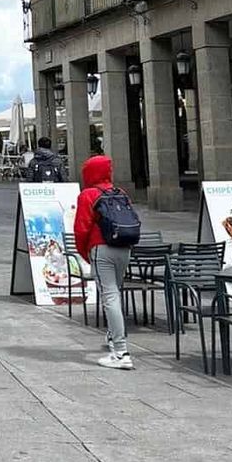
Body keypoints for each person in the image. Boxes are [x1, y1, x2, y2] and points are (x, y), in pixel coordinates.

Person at [74, 154, 133, 370]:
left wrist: (85, 253)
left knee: (109, 296)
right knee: (116, 292)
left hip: (101, 248)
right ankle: (113, 337)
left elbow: (81, 229)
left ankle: (121, 351)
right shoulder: (121, 193)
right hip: (124, 248)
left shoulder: (88, 195)